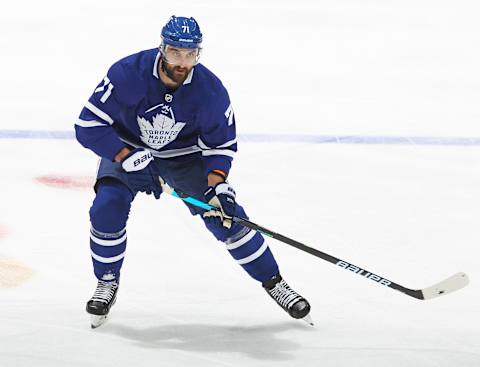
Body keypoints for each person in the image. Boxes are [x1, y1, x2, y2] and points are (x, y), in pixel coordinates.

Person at [75, 15, 311, 328]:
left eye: (190, 54)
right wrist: (125, 155)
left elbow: (220, 146)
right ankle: (107, 281)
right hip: (129, 150)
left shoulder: (210, 91)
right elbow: (87, 125)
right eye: (175, 53)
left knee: (226, 217)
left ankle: (273, 281)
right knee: (107, 208)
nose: (183, 62)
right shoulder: (127, 74)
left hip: (184, 159)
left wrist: (218, 186)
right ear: (162, 48)